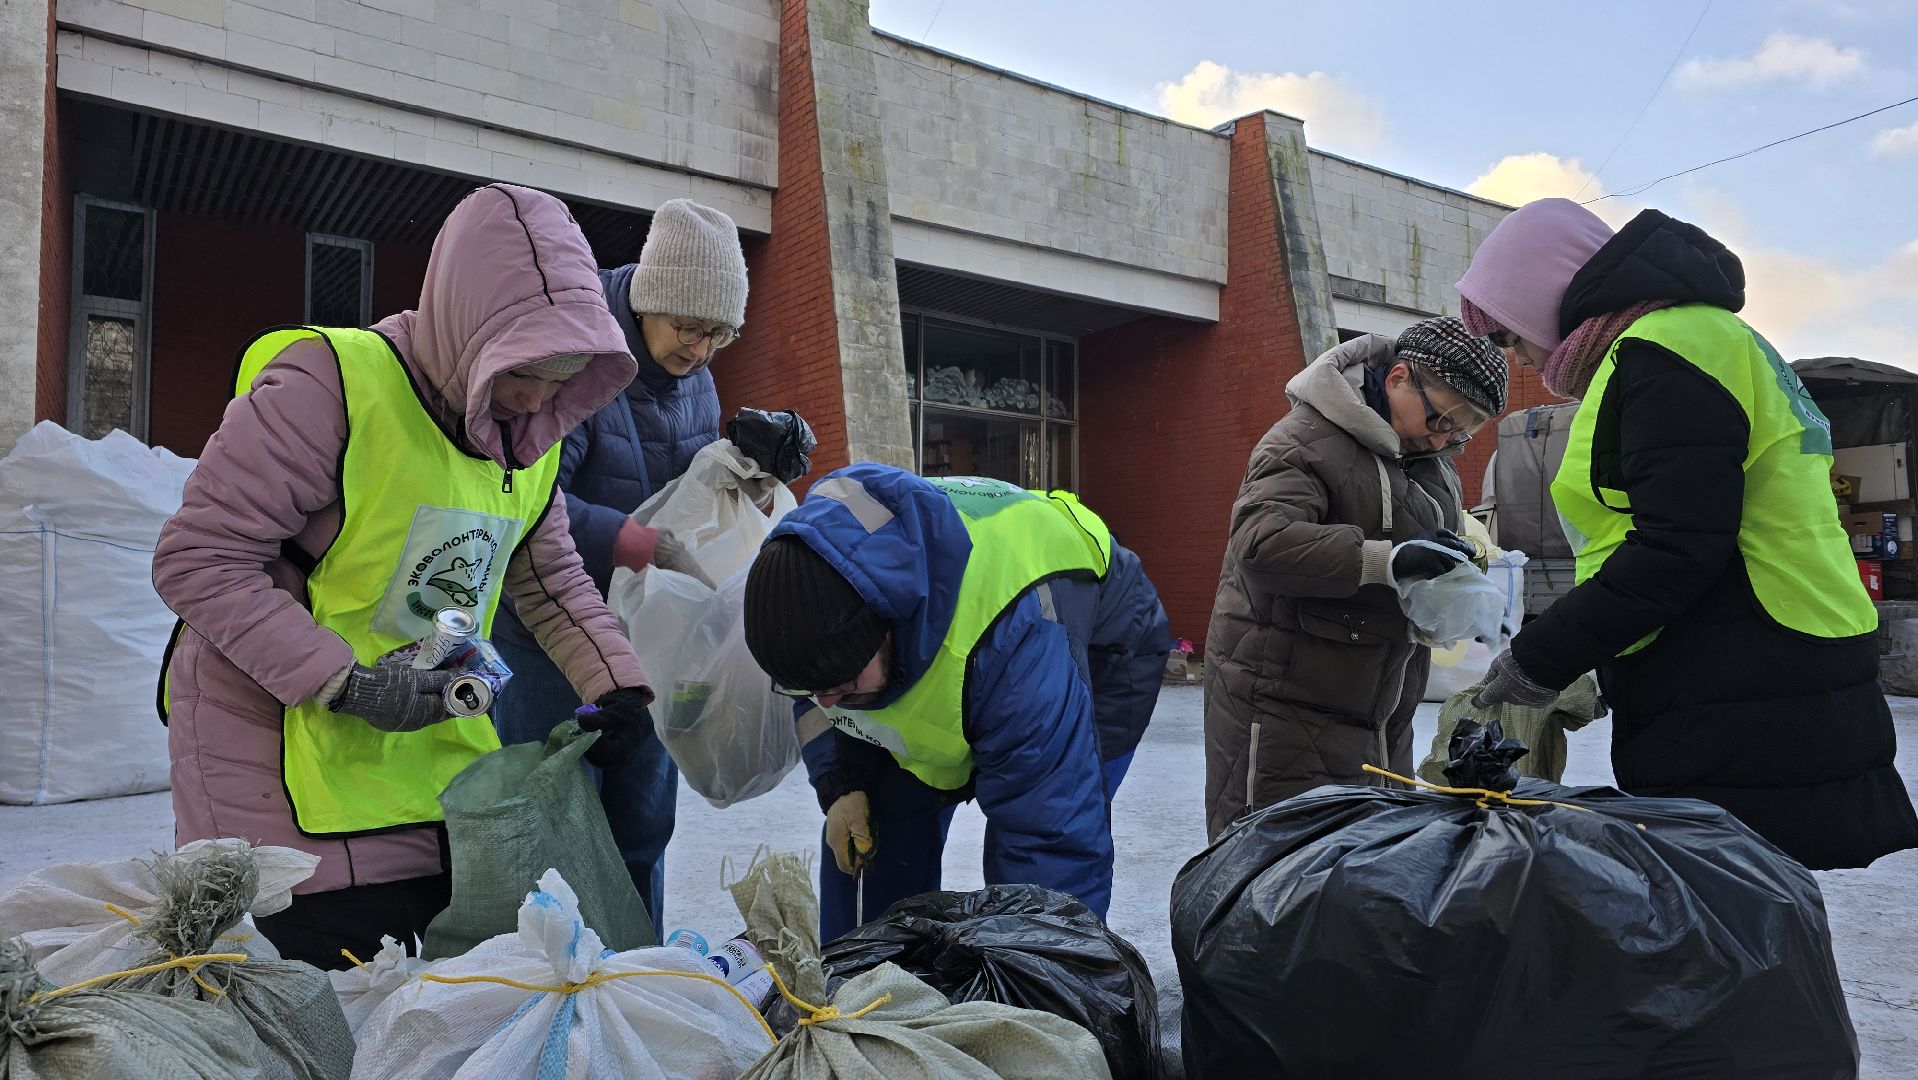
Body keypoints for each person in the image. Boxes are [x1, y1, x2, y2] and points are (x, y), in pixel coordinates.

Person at [152, 184, 657, 968]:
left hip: (424, 746)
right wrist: (346, 682)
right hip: (278, 749)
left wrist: (619, 686)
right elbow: (199, 559)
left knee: (441, 1004)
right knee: (330, 1003)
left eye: (563, 376)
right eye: (524, 369)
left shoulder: (531, 440)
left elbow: (551, 578)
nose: (537, 396)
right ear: (468, 325)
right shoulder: (331, 388)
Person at [1457, 198, 1918, 870]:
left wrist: (1541, 656)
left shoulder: (1663, 354)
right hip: (1780, 650)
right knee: (1754, 911)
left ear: (1544, 297)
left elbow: (1677, 546)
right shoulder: (1710, 340)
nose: (1520, 357)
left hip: (1742, 674)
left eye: (1510, 334)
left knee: (1726, 914)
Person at [741, 465, 1169, 940]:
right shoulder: (815, 597)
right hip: (945, 643)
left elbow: (1049, 839)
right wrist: (841, 784)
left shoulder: (1017, 645)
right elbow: (822, 683)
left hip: (1094, 641)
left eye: (840, 684)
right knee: (877, 824)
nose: (825, 702)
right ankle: (871, 977)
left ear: (889, 628)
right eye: (807, 689)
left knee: (1050, 837)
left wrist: (1034, 995)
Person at [490, 198, 756, 934]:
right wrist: (634, 540)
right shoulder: (579, 358)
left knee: (640, 821)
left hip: (646, 636)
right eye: (688, 328)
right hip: (547, 636)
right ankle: (544, 980)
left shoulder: (696, 378)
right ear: (649, 301)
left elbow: (688, 486)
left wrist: (741, 479)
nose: (700, 350)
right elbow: (530, 503)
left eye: (718, 336)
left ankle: (634, 975)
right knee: (551, 822)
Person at [1201, 317, 1508, 840]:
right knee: (1278, 875)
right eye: (1443, 419)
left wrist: (1449, 581)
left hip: (1383, 711)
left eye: (1463, 431)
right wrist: (1385, 561)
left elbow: (1426, 548)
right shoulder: (1304, 439)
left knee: (1366, 879)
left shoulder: (1431, 460)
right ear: (1398, 378)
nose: (1447, 438)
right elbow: (1260, 543)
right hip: (1284, 707)